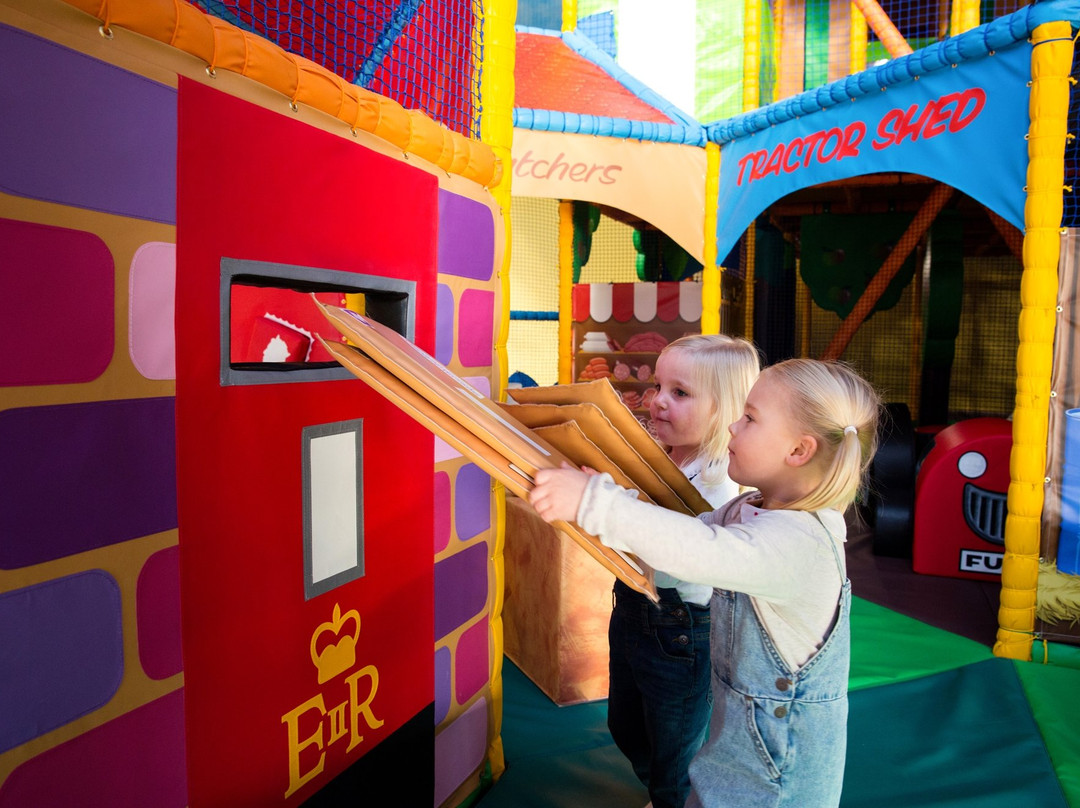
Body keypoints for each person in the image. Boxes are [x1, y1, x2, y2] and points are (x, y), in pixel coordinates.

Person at [529, 358, 881, 808]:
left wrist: (595, 503)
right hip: (742, 744)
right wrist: (608, 492)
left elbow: (695, 549)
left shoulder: (801, 544)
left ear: (798, 451)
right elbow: (683, 528)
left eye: (750, 418)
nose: (733, 426)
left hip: (779, 775)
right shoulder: (755, 508)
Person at [608, 334, 760, 808]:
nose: (656, 402)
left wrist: (610, 510)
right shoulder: (667, 457)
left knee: (676, 749)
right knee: (626, 724)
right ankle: (665, 785)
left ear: (725, 409)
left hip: (680, 629)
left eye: (680, 393)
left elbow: (674, 549)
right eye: (657, 386)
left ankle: (673, 795)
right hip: (633, 608)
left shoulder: (719, 484)